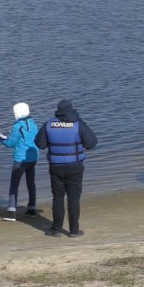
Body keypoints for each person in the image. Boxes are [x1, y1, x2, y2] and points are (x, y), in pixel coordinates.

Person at [35, 99, 98, 238]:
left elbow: (40, 144)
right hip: (75, 166)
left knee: (57, 198)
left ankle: (56, 229)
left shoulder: (49, 124)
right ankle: (74, 231)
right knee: (73, 198)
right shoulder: (78, 124)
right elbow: (92, 143)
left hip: (56, 167)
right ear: (71, 109)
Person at [0, 102, 39, 222]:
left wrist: (1, 138)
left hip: (20, 159)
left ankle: (11, 211)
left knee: (14, 184)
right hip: (33, 158)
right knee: (31, 182)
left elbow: (10, 143)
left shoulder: (17, 126)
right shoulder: (34, 124)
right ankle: (32, 208)